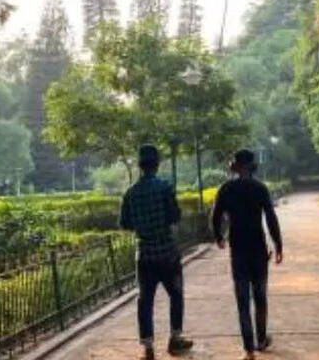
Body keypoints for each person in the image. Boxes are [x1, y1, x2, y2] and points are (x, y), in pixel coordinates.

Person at [120, 144, 194, 359]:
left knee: (145, 300)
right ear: (157, 164)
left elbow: (124, 223)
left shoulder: (130, 193)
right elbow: (175, 216)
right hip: (167, 252)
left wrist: (143, 225)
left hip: (144, 254)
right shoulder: (165, 187)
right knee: (176, 294)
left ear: (140, 166)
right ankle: (175, 340)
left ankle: (148, 347)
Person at [211, 149, 283, 359]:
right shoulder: (259, 188)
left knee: (242, 301)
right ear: (251, 168)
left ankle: (249, 349)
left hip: (238, 252)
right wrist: (278, 244)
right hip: (258, 250)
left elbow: (215, 216)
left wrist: (218, 237)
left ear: (235, 167)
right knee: (260, 298)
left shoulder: (226, 189)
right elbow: (270, 217)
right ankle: (261, 340)